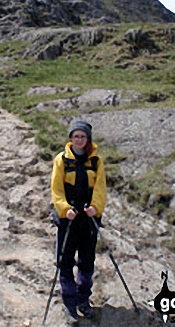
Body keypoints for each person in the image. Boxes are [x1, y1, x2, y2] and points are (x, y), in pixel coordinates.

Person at [50, 120, 107, 319]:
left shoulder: (96, 161)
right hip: (68, 219)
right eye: (76, 136)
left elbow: (100, 188)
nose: (79, 139)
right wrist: (65, 209)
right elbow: (56, 189)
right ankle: (70, 301)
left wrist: (95, 208)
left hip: (89, 219)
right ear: (70, 138)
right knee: (65, 261)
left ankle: (84, 299)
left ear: (88, 138)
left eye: (82, 136)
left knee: (87, 260)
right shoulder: (61, 160)